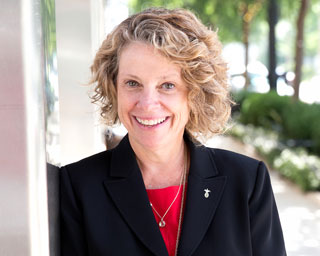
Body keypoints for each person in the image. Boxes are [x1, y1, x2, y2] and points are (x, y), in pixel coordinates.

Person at [60, 7, 286, 256]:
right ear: (114, 89)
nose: (147, 104)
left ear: (195, 93)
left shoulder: (247, 182)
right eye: (132, 83)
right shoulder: (77, 187)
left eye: (167, 85)